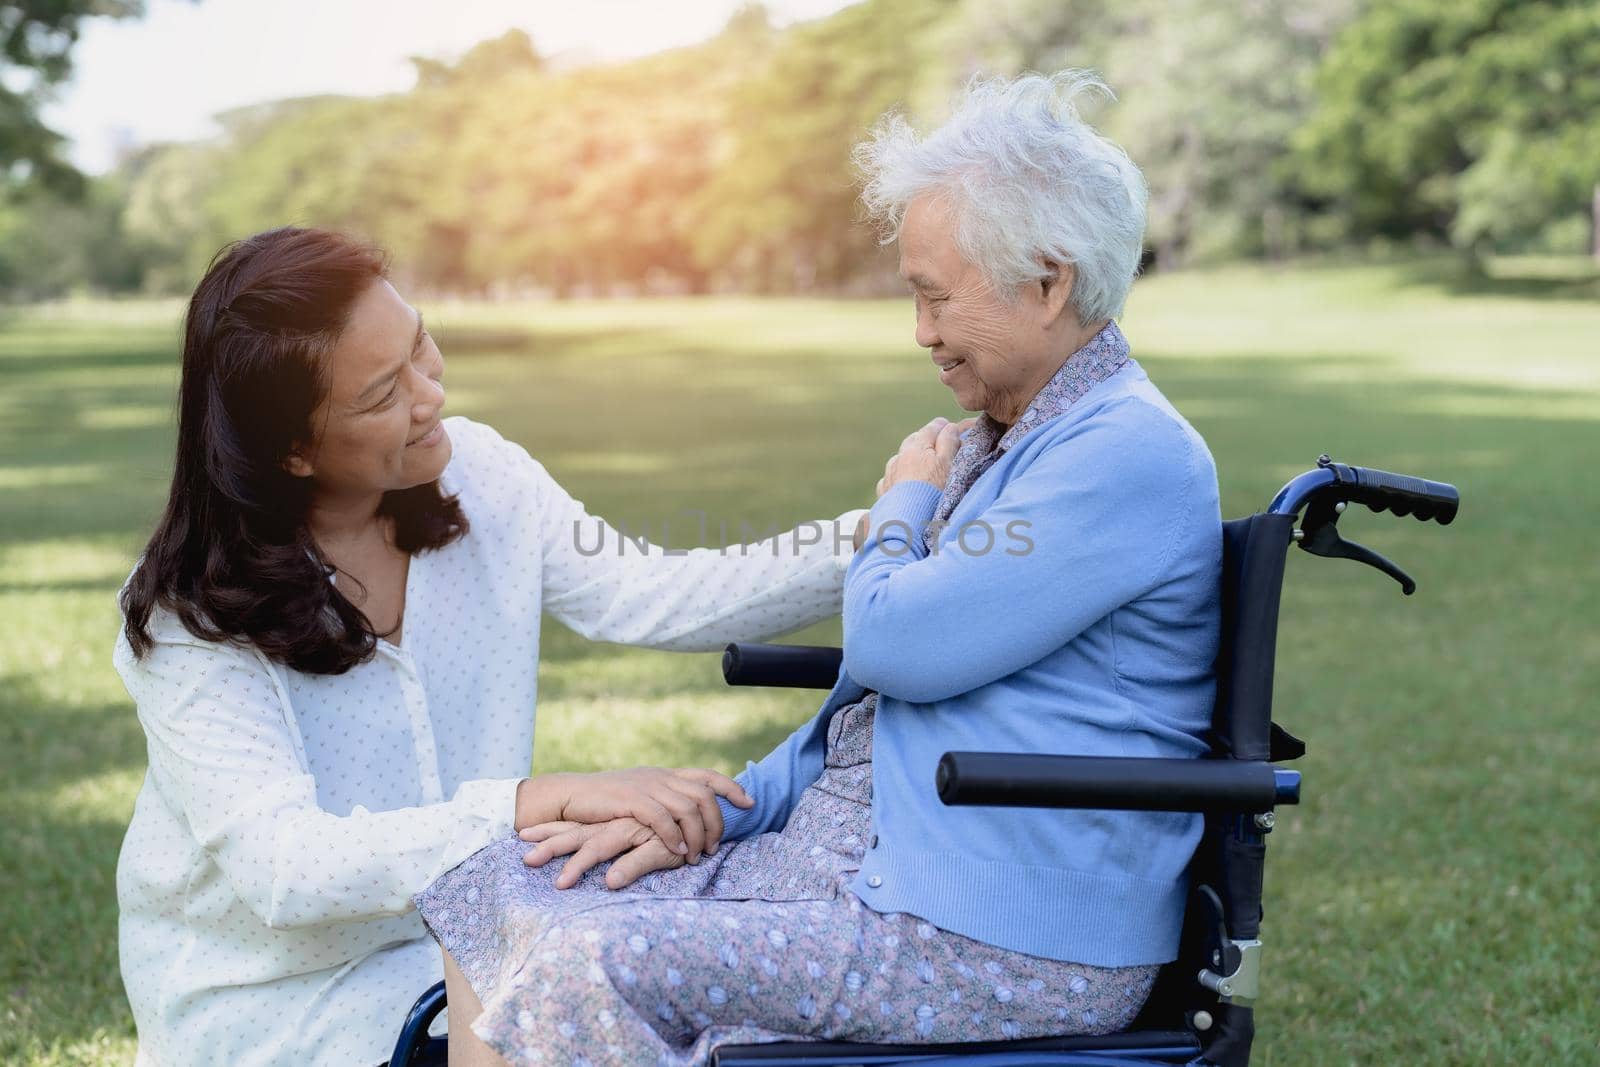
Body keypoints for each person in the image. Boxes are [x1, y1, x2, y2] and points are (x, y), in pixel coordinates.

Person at [418, 71, 1224, 1067]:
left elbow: (897, 641)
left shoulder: (1123, 452)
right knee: (500, 880)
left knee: (590, 956)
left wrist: (902, 504)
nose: (920, 332)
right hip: (855, 876)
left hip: (993, 938)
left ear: (1050, 281)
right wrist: (723, 810)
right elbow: (871, 707)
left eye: (936, 297)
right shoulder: (1005, 440)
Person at [112, 225, 866, 1067]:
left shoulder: (483, 474)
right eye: (380, 394)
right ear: (290, 449)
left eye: (420, 345)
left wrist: (883, 532)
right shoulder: (190, 618)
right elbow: (284, 865)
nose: (429, 395)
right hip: (277, 1006)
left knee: (711, 1016)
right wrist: (529, 802)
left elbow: (650, 594)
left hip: (477, 943)